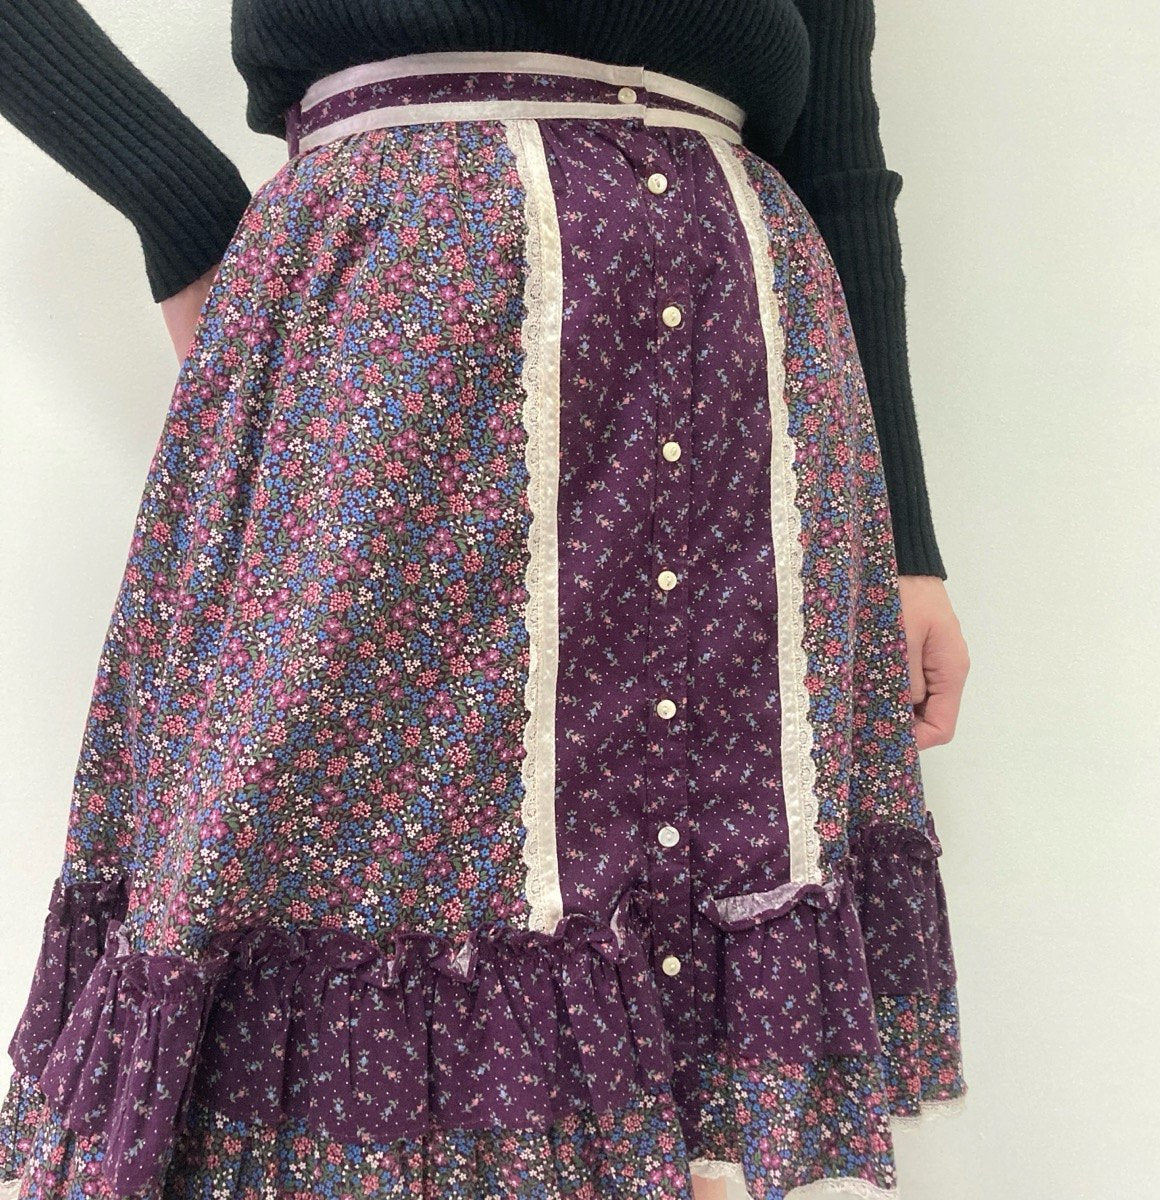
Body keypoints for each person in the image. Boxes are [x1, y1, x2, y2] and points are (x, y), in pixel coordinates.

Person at [0, 3, 972, 1198]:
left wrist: (906, 548)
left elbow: (838, 156)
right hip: (407, 314)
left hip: (741, 362)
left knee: (680, 993)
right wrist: (186, 210)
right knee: (335, 878)